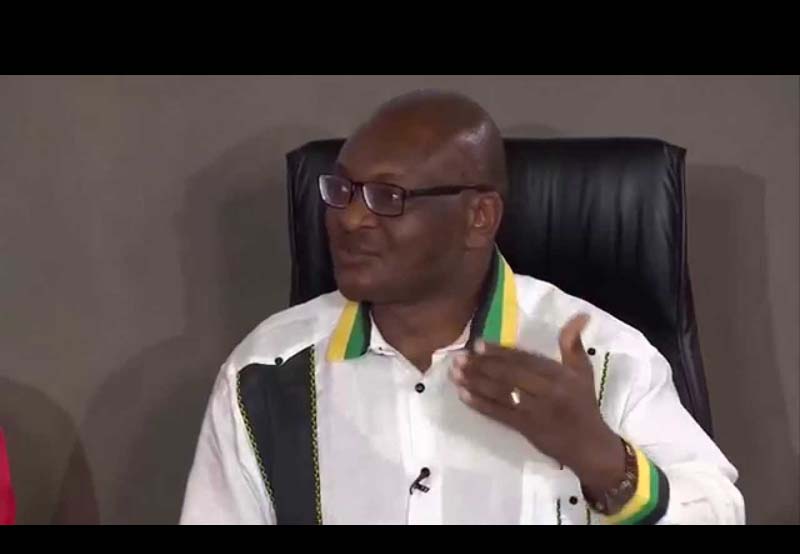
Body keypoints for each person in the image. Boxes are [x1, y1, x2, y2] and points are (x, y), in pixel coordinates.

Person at [180, 90, 745, 525]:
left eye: (387, 197)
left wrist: (602, 461)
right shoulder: (265, 374)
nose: (350, 219)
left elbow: (720, 513)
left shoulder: (602, 359)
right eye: (342, 190)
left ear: (479, 218)